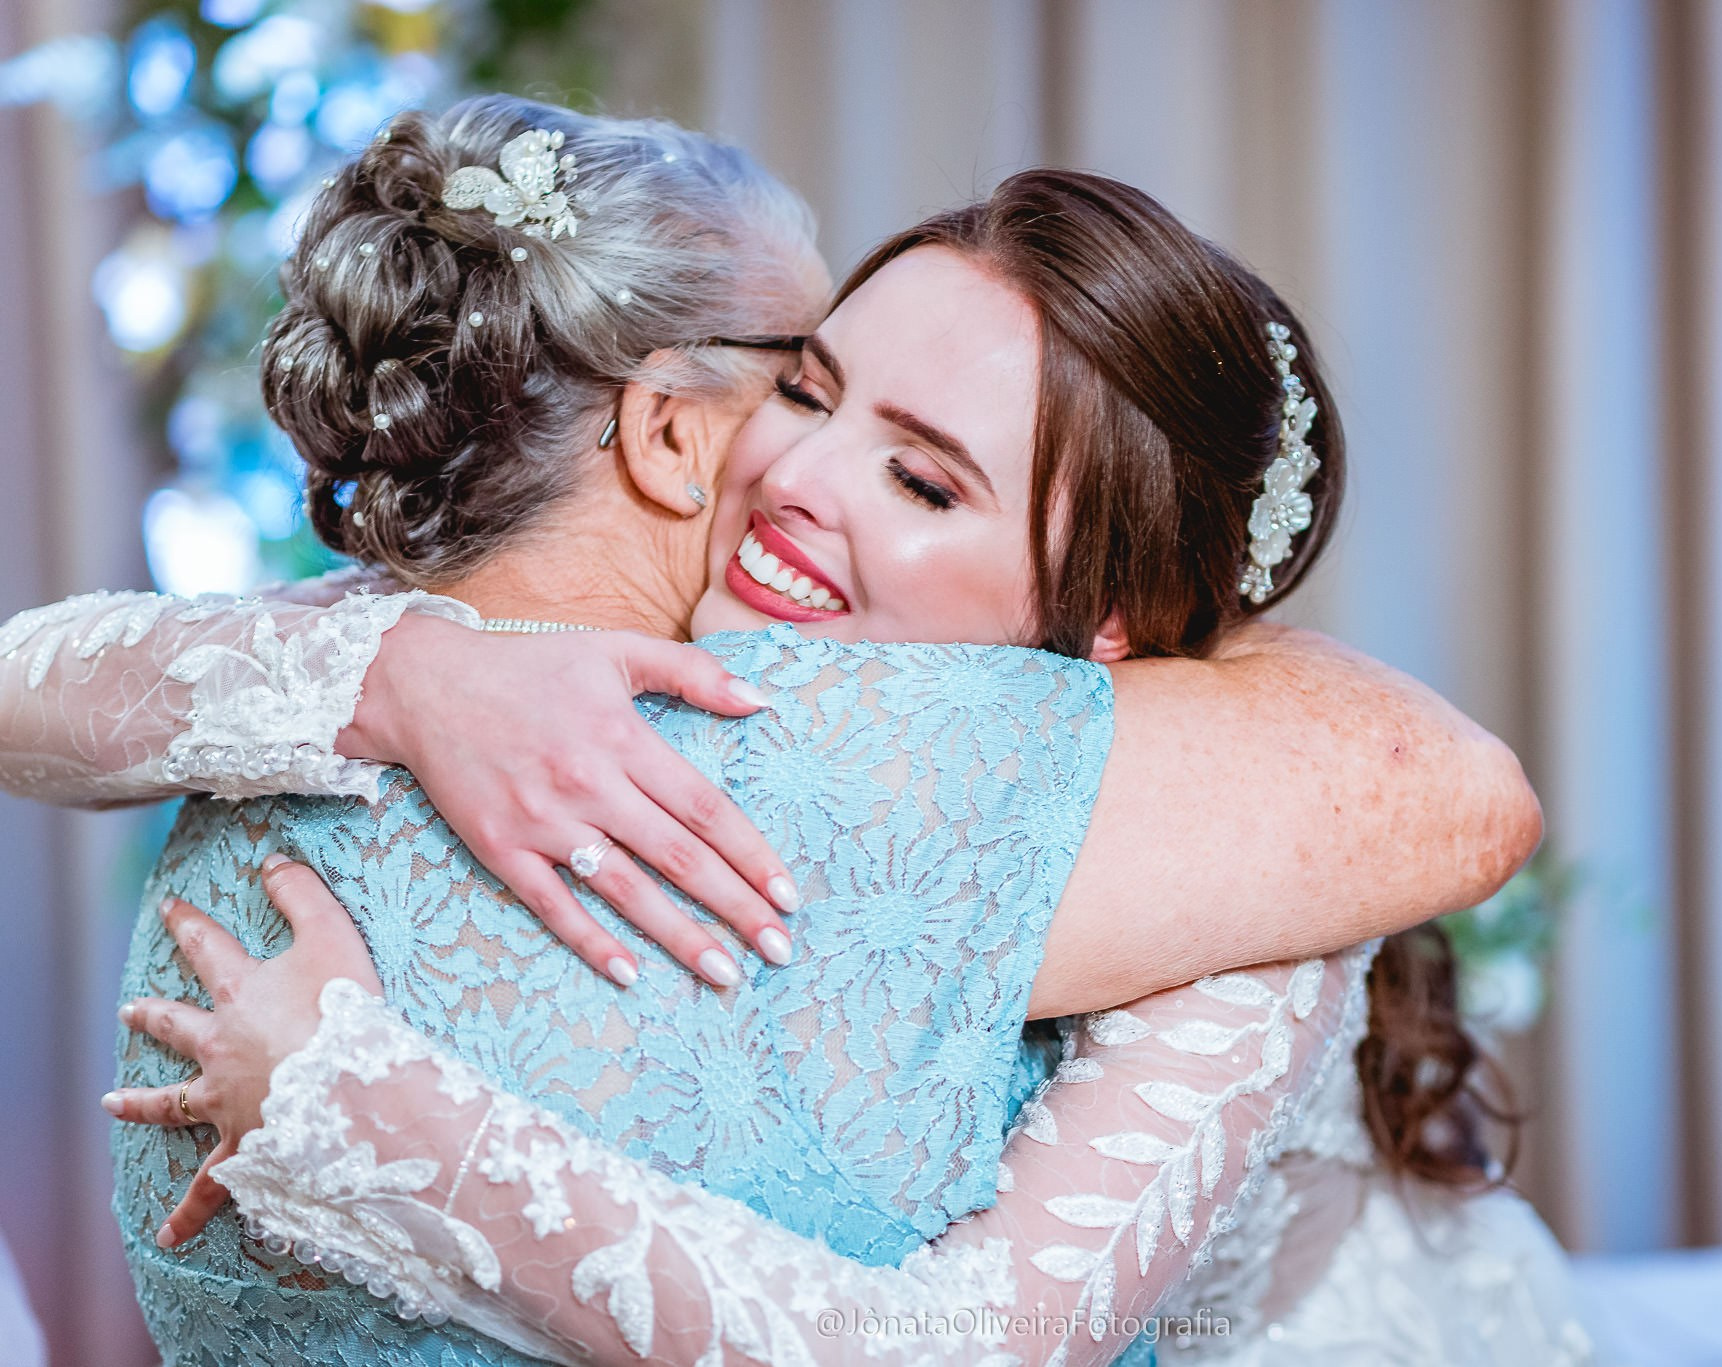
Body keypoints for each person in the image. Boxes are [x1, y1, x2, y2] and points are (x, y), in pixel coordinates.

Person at [0, 99, 1565, 1363]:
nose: (797, 480)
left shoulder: (1241, 851)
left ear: (1109, 619)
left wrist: (362, 1111)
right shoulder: (586, 652)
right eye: (810, 393)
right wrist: (405, 665)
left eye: (926, 480)